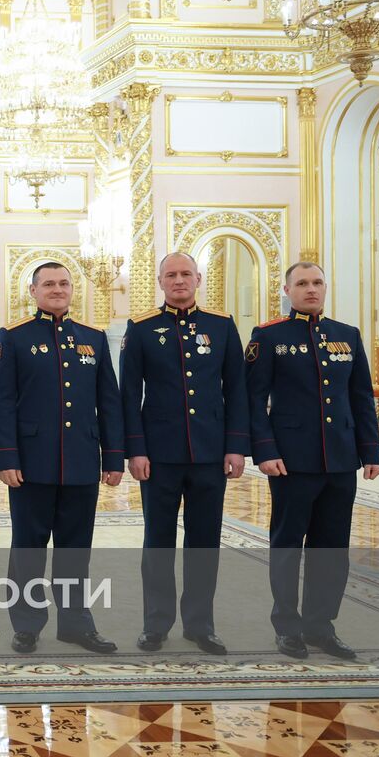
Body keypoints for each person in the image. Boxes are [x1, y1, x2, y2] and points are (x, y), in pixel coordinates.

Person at [246, 261, 379, 660]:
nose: (311, 289)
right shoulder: (268, 336)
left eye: (317, 282)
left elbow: (361, 397)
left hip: (340, 459)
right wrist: (265, 451)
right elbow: (253, 399)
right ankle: (287, 627)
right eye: (301, 283)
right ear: (286, 290)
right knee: (287, 545)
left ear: (326, 287)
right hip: (291, 461)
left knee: (332, 547)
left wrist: (370, 451)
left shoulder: (347, 336)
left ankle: (321, 625)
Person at [0, 262, 124, 655]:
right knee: (28, 548)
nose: (57, 289)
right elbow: (1, 403)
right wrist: (6, 457)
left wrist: (113, 458)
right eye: (48, 284)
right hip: (30, 463)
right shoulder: (14, 337)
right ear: (33, 291)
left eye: (64, 283)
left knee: (75, 548)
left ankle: (76, 625)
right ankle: (27, 625)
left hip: (81, 460)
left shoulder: (93, 338)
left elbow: (108, 403)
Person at [121, 253, 249, 656]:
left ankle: (200, 624)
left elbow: (237, 390)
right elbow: (129, 395)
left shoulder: (222, 325)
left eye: (186, 274)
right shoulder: (141, 328)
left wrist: (235, 445)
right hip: (158, 457)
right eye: (171, 275)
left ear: (199, 278)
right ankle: (155, 624)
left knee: (204, 541)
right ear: (160, 281)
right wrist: (135, 450)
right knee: (158, 542)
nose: (179, 281)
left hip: (210, 453)